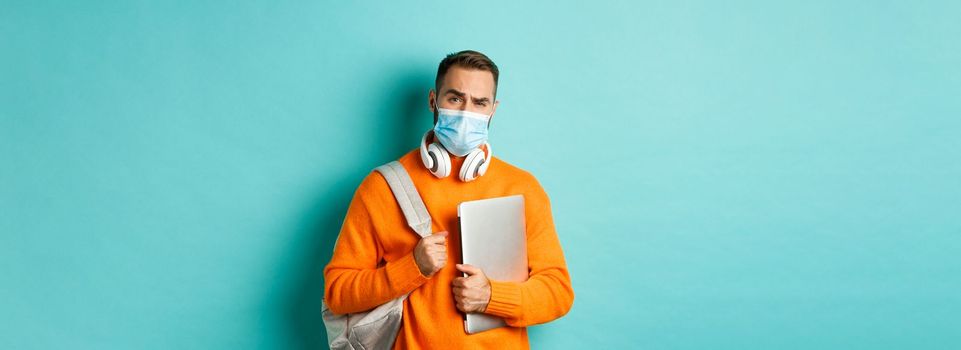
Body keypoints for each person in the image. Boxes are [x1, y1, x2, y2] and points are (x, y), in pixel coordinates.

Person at [323, 50, 574, 349]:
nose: (467, 112)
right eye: (455, 99)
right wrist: (411, 267)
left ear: (493, 110)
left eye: (479, 103)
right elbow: (338, 293)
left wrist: (492, 296)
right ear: (433, 101)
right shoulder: (382, 187)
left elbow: (557, 293)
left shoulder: (523, 188)